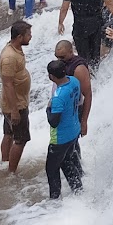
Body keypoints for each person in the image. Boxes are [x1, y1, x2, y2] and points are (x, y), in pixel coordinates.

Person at [59, 0, 110, 67]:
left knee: (83, 56)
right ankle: (96, 77)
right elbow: (109, 3)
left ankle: (85, 76)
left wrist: (60, 23)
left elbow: (64, 8)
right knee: (95, 55)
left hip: (80, 25)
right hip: (96, 24)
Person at [44, 59, 84, 199]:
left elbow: (53, 122)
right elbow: (79, 100)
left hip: (60, 138)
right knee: (66, 162)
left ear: (51, 77)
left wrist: (48, 108)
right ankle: (79, 191)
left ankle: (55, 199)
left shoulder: (58, 97)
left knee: (51, 169)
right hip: (73, 131)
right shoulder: (74, 81)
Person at [0, 20, 32, 174]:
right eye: (28, 35)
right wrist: (14, 110)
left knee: (9, 133)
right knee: (20, 139)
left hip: (14, 103)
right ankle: (11, 172)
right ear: (19, 37)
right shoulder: (9, 57)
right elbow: (8, 84)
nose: (30, 37)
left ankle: (4, 163)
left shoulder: (15, 49)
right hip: (15, 105)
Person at [52, 38, 94, 137]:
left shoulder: (79, 68)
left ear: (71, 52)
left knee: (70, 141)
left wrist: (84, 121)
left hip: (73, 110)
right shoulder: (61, 63)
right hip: (61, 106)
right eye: (57, 57)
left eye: (62, 57)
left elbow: (88, 95)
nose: (59, 60)